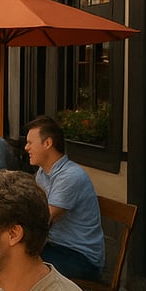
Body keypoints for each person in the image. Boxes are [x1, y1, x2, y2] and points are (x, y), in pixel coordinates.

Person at [24, 115, 104, 280]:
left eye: (30, 143)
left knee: (18, 262)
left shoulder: (70, 176)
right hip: (56, 246)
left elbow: (45, 218)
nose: (26, 148)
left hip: (80, 257)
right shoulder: (43, 173)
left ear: (48, 143)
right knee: (8, 254)